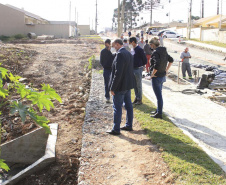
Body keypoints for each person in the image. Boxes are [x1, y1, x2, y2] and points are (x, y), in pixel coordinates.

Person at [107, 39, 135, 135]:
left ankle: (116, 129)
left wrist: (113, 87)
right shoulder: (128, 53)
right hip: (127, 85)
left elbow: (117, 73)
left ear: (118, 44)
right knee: (129, 106)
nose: (113, 47)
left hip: (120, 86)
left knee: (117, 107)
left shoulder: (120, 54)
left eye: (114, 45)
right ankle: (129, 125)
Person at [149, 37, 173, 119]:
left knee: (158, 96)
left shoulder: (155, 52)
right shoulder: (164, 51)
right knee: (159, 95)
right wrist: (166, 70)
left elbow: (157, 64)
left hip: (156, 77)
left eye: (150, 45)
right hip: (162, 76)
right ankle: (158, 110)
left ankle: (159, 113)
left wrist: (152, 74)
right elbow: (171, 60)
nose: (150, 47)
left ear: (152, 44)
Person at [129, 37, 147, 105]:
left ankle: (140, 99)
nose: (129, 44)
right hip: (132, 69)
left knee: (138, 85)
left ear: (133, 42)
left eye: (130, 43)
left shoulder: (139, 49)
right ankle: (136, 97)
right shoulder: (132, 49)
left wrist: (140, 65)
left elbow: (145, 60)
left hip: (138, 69)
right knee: (134, 85)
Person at [100, 39, 114, 103]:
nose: (107, 45)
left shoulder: (113, 51)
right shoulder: (103, 51)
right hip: (106, 69)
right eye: (106, 44)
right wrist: (104, 65)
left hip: (113, 69)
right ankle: (107, 97)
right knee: (106, 84)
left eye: (108, 44)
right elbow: (101, 61)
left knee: (114, 83)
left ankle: (114, 97)